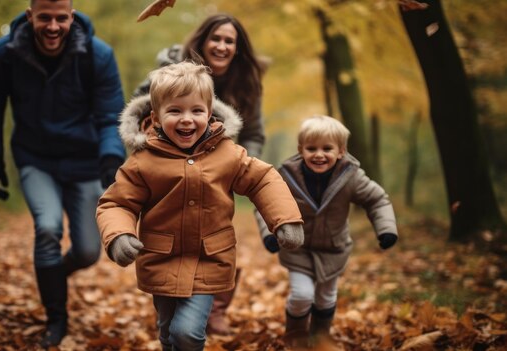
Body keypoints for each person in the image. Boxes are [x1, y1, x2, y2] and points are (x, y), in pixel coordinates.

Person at [96, 61, 304, 351]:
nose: (187, 119)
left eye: (196, 111)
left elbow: (262, 179)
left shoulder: (226, 153)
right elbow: (117, 203)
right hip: (160, 260)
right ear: (155, 117)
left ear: (209, 112)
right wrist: (119, 235)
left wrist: (285, 219)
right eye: (175, 111)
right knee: (168, 333)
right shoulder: (143, 162)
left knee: (187, 333)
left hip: (209, 259)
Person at [0, 0, 126, 347]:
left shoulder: (97, 55)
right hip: (35, 158)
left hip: (85, 161)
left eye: (61, 18)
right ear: (30, 17)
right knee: (47, 228)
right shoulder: (3, 54)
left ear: (72, 17)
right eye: (45, 18)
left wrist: (110, 159)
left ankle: (53, 274)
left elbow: (110, 115)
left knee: (88, 251)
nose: (53, 26)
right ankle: (56, 318)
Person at [133, 13, 268, 335]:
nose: (221, 46)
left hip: (219, 172)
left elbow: (255, 133)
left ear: (238, 48)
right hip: (166, 167)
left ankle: (215, 309)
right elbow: (139, 109)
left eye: (229, 41)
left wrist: (238, 165)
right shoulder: (172, 70)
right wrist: (144, 157)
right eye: (216, 38)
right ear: (202, 40)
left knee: (217, 237)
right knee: (170, 232)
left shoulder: (246, 81)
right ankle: (171, 303)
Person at [255, 115, 398, 349]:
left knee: (325, 297)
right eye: (311, 148)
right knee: (302, 295)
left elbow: (377, 200)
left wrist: (386, 229)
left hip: (334, 249)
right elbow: (266, 203)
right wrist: (270, 233)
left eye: (327, 148)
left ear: (341, 151)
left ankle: (320, 337)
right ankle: (296, 336)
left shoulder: (351, 176)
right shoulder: (287, 176)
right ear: (301, 149)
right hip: (297, 248)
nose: (318, 154)